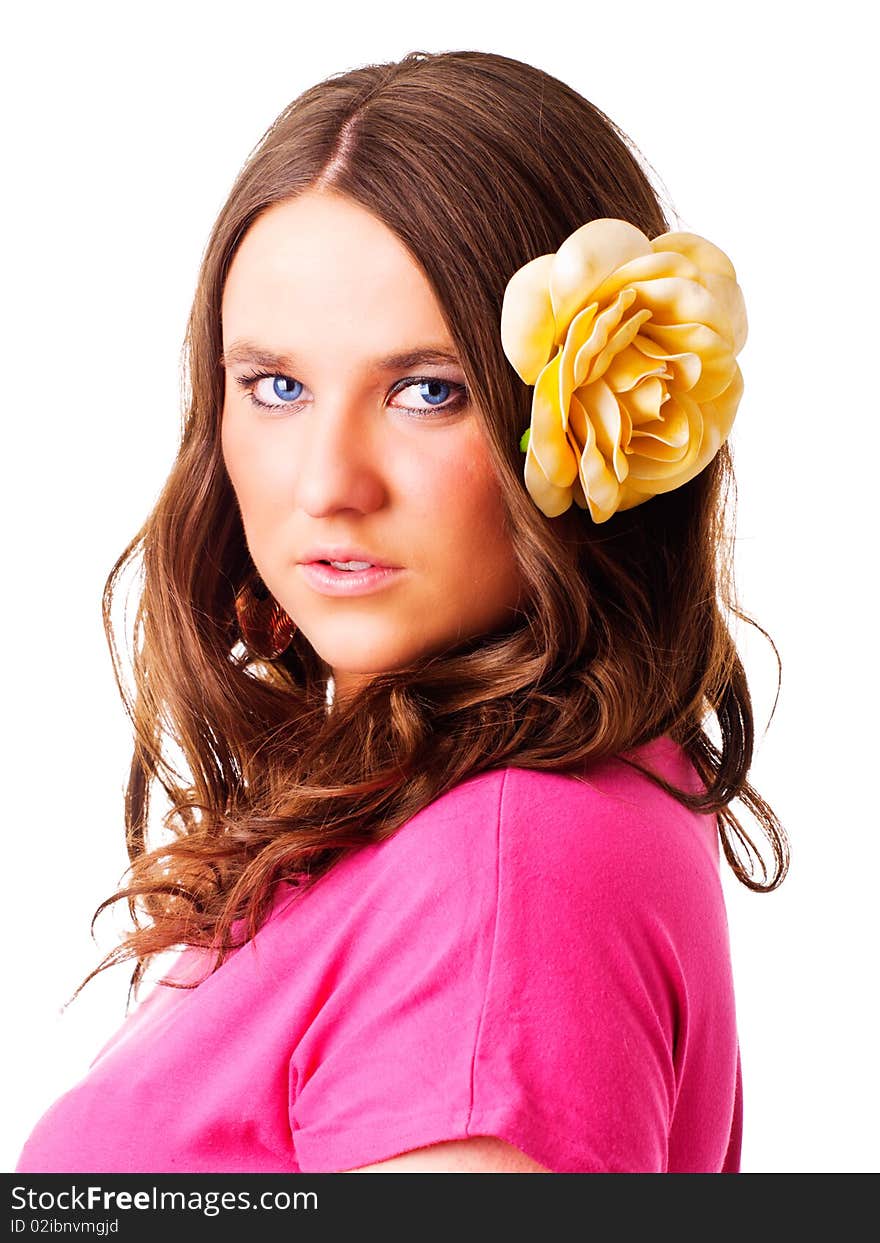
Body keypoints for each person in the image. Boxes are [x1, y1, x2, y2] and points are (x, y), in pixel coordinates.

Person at [15, 48, 787, 1175]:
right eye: (275, 386)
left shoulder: (502, 875)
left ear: (580, 426)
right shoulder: (450, 821)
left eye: (429, 390)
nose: (329, 480)